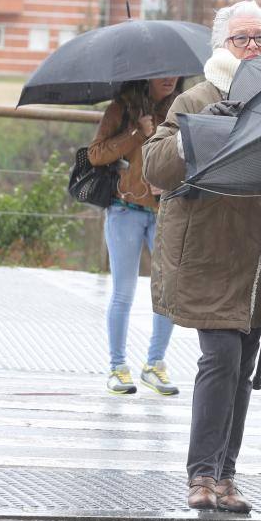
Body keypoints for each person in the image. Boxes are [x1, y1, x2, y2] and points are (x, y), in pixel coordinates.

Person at [142, 0, 261, 512]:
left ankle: (225, 476)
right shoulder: (196, 100)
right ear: (222, 45)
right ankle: (201, 475)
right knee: (221, 357)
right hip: (207, 256)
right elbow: (155, 167)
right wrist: (198, 132)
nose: (252, 47)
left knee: (243, 367)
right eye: (241, 38)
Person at [88, 77, 181, 396]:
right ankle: (117, 367)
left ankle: (155, 364)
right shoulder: (122, 109)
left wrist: (172, 179)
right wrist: (136, 133)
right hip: (124, 208)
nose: (170, 79)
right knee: (123, 292)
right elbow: (96, 154)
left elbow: (195, 157)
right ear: (148, 74)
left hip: (165, 210)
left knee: (168, 289)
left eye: (175, 73)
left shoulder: (182, 110)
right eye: (163, 72)